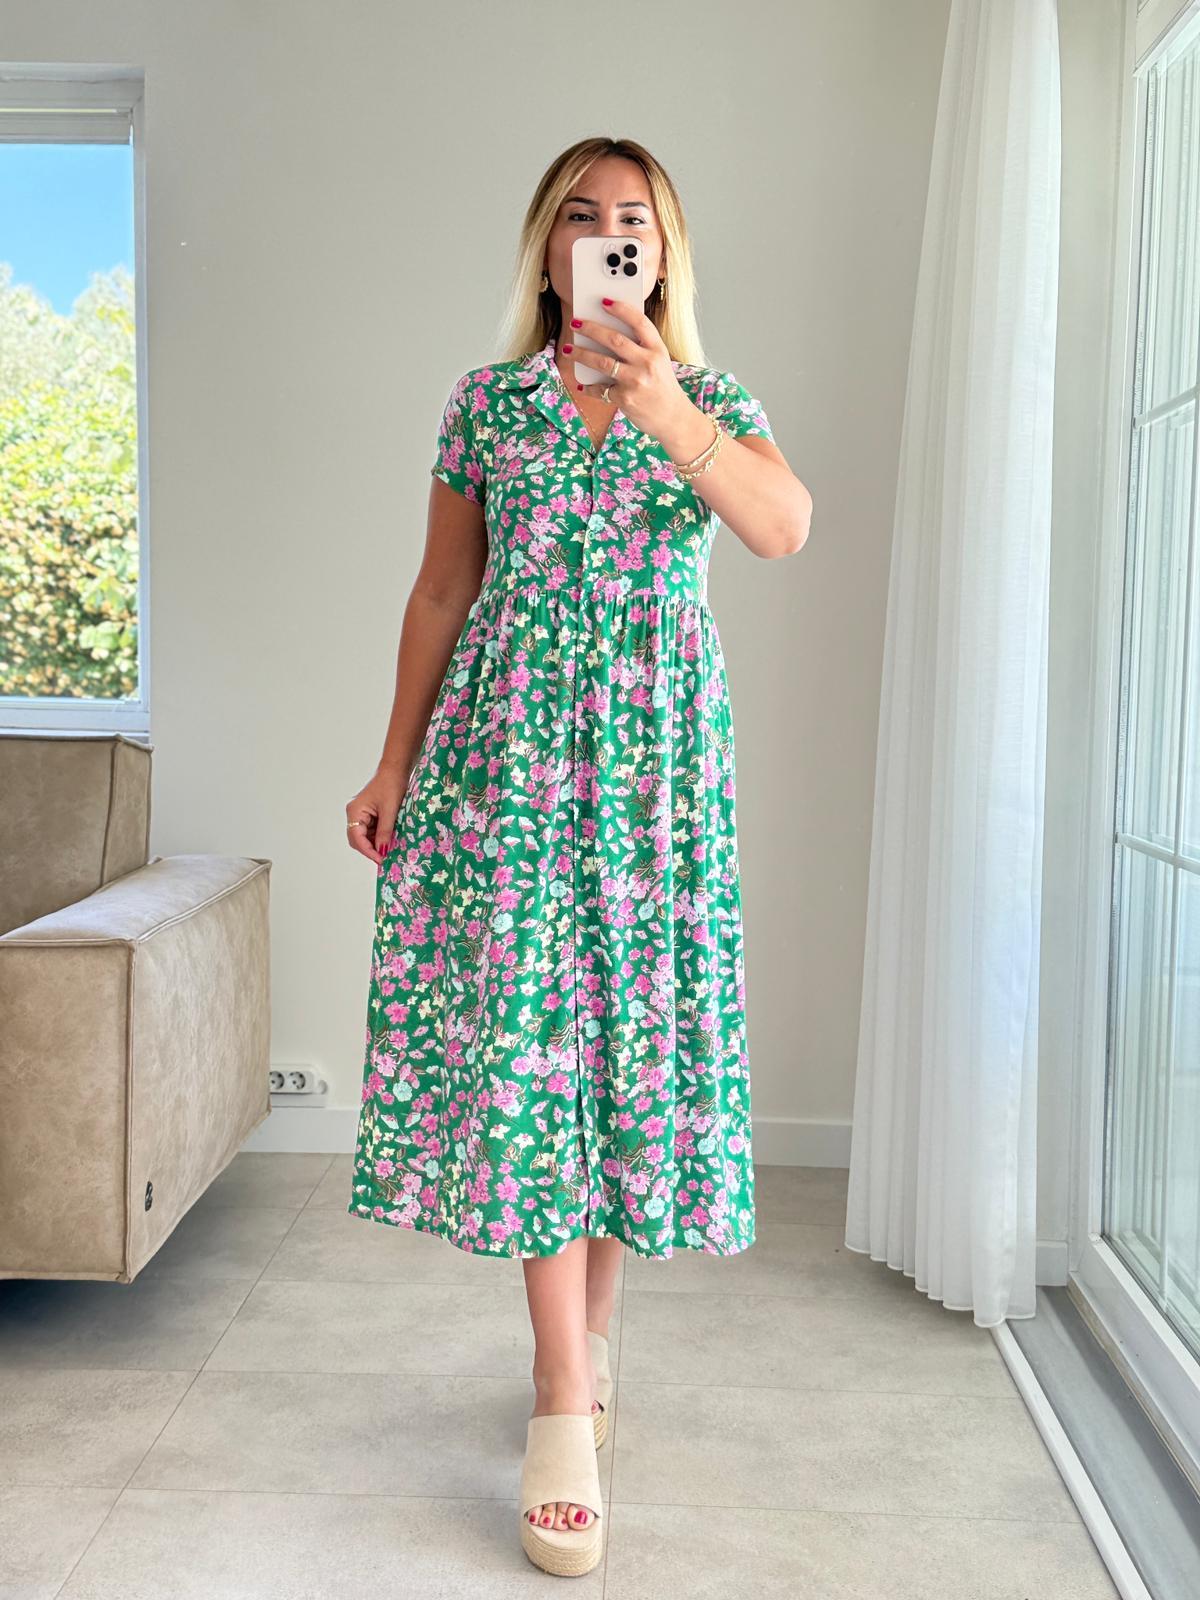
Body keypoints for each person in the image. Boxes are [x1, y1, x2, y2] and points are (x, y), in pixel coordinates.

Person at [344, 135, 811, 1578]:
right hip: (514, 763)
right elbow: (442, 589)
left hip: (657, 781)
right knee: (536, 1049)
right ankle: (560, 1394)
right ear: (548, 251)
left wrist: (667, 408)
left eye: (636, 223)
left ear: (662, 257)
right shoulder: (485, 406)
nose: (612, 239)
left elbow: (783, 528)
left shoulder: (712, 402)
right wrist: (393, 760)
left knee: (617, 1052)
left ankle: (593, 1344)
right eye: (584, 218)